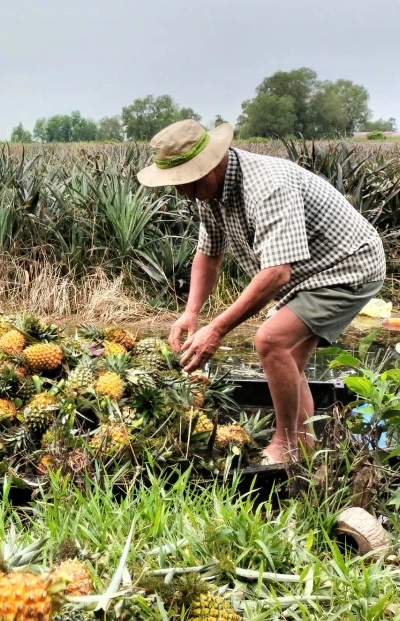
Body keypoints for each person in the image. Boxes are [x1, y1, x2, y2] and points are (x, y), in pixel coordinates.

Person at [137, 120, 385, 463]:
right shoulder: (205, 191)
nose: (181, 191)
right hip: (306, 272)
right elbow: (209, 254)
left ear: (209, 164)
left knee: (271, 341)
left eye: (184, 180)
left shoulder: (267, 186)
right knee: (287, 361)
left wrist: (218, 329)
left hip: (347, 266)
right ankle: (305, 448)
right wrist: (191, 313)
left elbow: (276, 273)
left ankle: (286, 443)